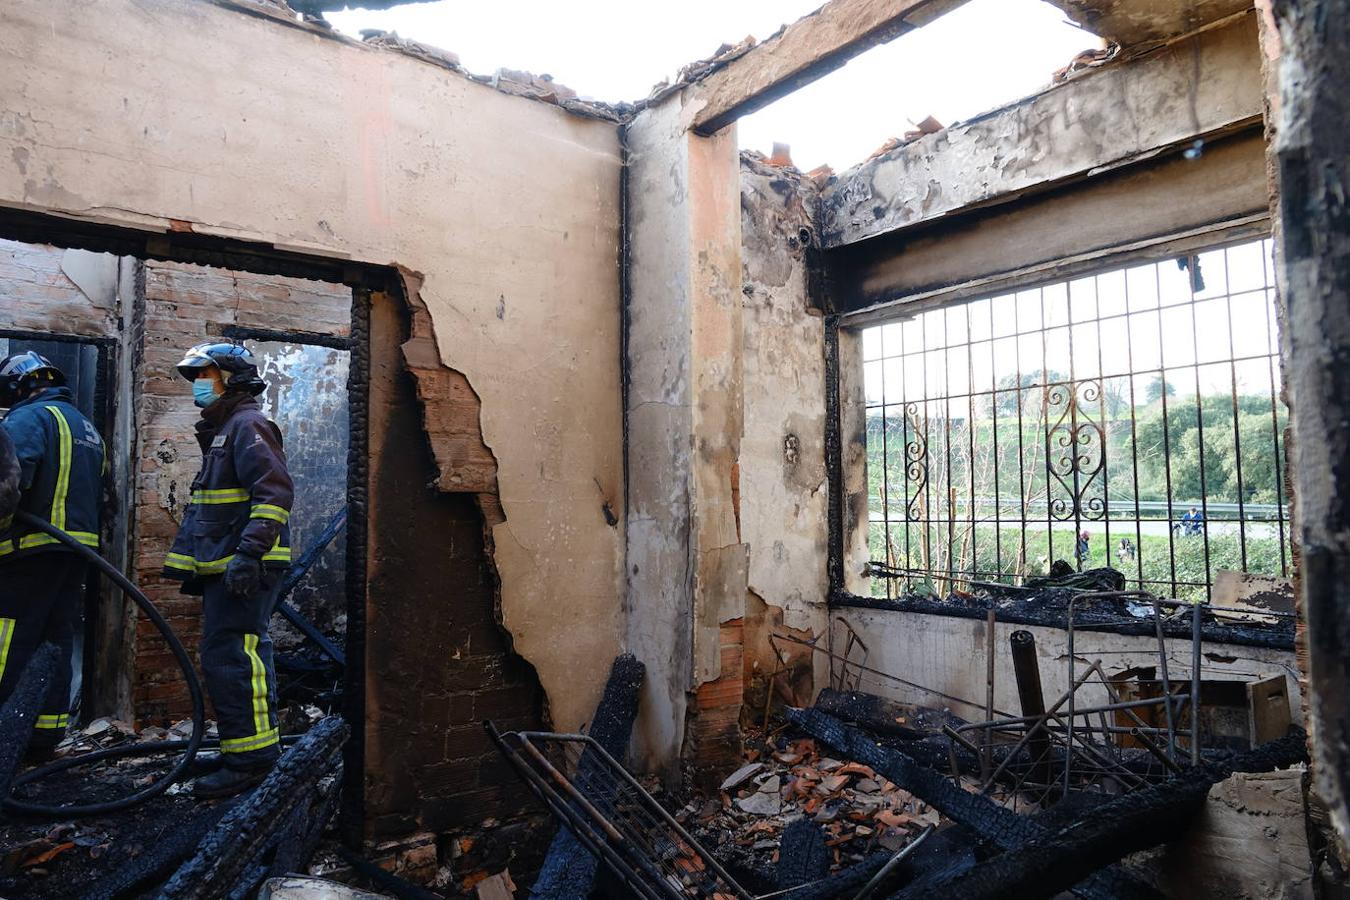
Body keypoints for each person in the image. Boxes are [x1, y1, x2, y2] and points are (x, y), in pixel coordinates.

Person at [164, 341, 293, 798]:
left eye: (207, 376)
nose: (199, 385)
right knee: (229, 653)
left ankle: (252, 762)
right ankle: (243, 749)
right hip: (231, 562)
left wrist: (248, 554)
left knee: (234, 654)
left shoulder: (249, 424)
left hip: (245, 565)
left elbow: (274, 494)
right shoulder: (227, 428)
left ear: (232, 379)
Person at [0, 351, 106, 759]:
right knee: (54, 640)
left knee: (8, 638)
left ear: (18, 386)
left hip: (26, 550)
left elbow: (10, 485)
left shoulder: (27, 419)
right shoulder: (88, 428)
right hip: (74, 554)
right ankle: (45, 734)